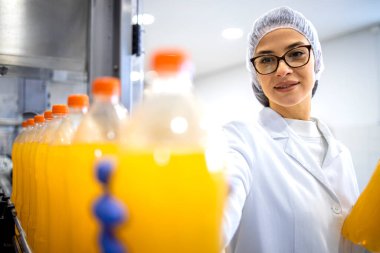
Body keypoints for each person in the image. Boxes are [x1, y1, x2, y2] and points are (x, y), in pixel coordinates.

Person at [221, 6, 367, 253]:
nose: (282, 69)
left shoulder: (340, 153)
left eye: (296, 54)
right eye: (267, 60)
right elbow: (218, 210)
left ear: (316, 60)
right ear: (256, 75)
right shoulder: (240, 139)